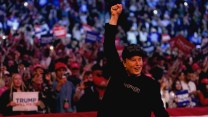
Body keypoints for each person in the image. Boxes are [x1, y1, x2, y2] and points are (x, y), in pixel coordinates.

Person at [97, 4, 169, 117]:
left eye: (139, 59)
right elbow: (109, 46)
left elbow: (160, 112)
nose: (138, 64)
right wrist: (114, 17)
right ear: (124, 62)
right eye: (133, 60)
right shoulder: (118, 72)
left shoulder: (151, 86)